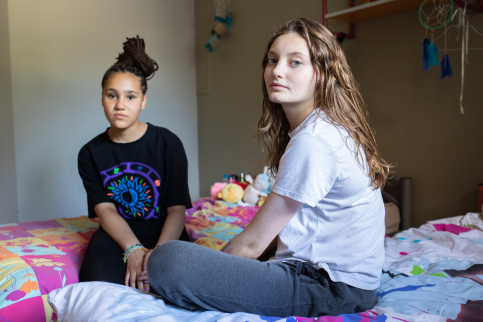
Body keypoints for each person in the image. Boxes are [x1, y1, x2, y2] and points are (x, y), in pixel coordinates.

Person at [146, 17, 390, 317]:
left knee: (167, 260)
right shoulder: (326, 127)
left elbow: (251, 245)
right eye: (272, 60)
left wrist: (212, 271)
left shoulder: (313, 142)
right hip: (342, 281)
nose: (277, 71)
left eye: (295, 62)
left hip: (328, 287)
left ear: (322, 73)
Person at [78, 36, 191, 293]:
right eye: (111, 95)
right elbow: (106, 210)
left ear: (143, 101)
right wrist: (133, 249)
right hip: (118, 233)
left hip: (165, 232)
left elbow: (176, 211)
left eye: (130, 97)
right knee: (95, 286)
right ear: (102, 98)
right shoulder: (89, 153)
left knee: (174, 287)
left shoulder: (168, 143)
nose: (120, 105)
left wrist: (156, 257)